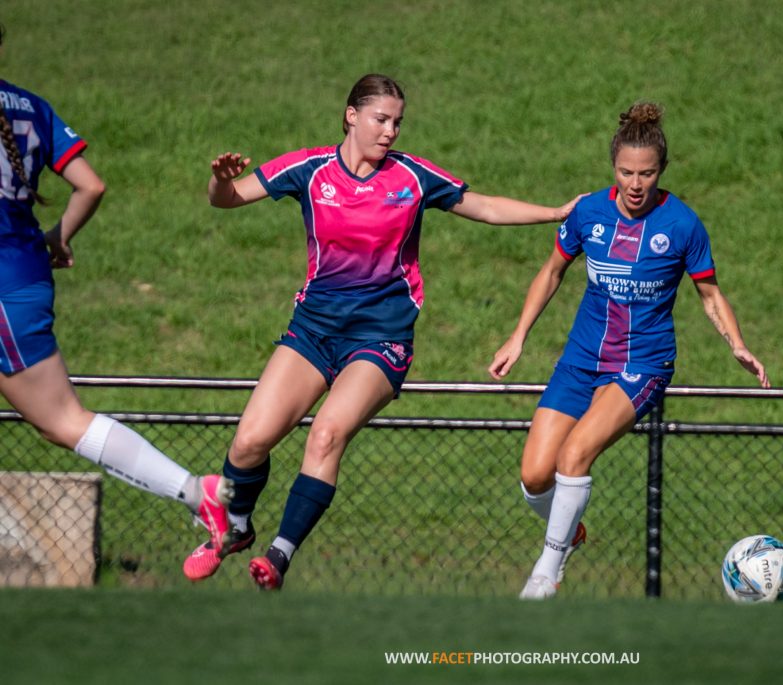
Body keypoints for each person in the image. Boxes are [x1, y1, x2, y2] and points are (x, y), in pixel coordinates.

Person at [183, 73, 580, 590]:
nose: (391, 131)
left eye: (398, 122)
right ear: (352, 116)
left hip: (381, 337)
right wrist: (219, 179)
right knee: (249, 442)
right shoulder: (310, 168)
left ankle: (279, 555)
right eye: (381, 119)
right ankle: (233, 529)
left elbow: (480, 205)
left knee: (326, 435)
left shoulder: (411, 177)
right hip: (314, 329)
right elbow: (227, 199)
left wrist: (555, 212)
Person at [489, 102, 771, 600]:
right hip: (580, 359)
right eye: (626, 172)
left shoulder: (682, 224)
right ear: (613, 168)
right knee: (535, 476)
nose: (636, 184)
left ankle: (544, 576)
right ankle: (567, 533)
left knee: (575, 455)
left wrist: (738, 344)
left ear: (661, 170)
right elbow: (552, 271)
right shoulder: (588, 213)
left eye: (647, 173)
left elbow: (710, 295)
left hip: (642, 363)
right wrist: (519, 335)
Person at [0, 24, 233, 558]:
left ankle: (196, 492)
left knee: (63, 419)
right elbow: (91, 184)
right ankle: (197, 492)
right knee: (58, 422)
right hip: (25, 274)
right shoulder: (30, 105)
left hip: (5, 288)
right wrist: (57, 237)